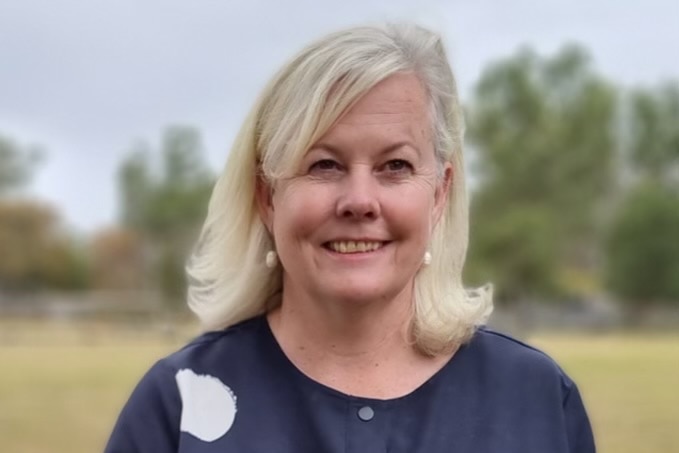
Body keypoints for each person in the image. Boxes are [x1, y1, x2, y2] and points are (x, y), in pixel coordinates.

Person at [105, 23, 595, 453]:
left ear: (440, 193)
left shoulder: (535, 400)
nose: (359, 200)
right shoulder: (178, 408)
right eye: (324, 165)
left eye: (395, 166)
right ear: (267, 196)